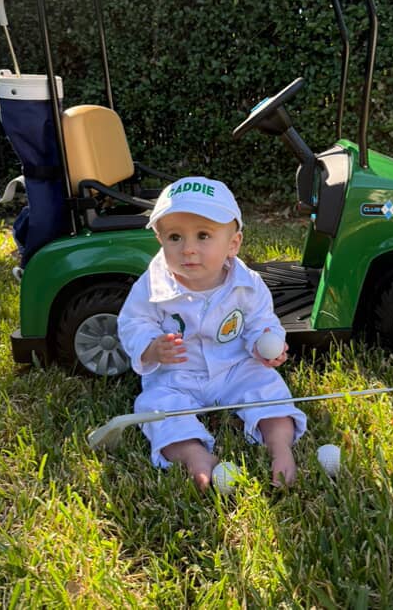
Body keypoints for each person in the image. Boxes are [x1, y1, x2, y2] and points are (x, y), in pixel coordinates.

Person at [118, 176, 307, 490]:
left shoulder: (247, 284)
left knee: (268, 385)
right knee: (153, 406)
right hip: (178, 375)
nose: (188, 249)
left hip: (235, 367)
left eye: (203, 235)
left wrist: (264, 345)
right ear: (160, 240)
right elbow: (133, 322)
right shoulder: (151, 284)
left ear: (233, 244)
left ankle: (280, 447)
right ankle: (194, 456)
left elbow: (261, 322)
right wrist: (150, 348)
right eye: (175, 237)